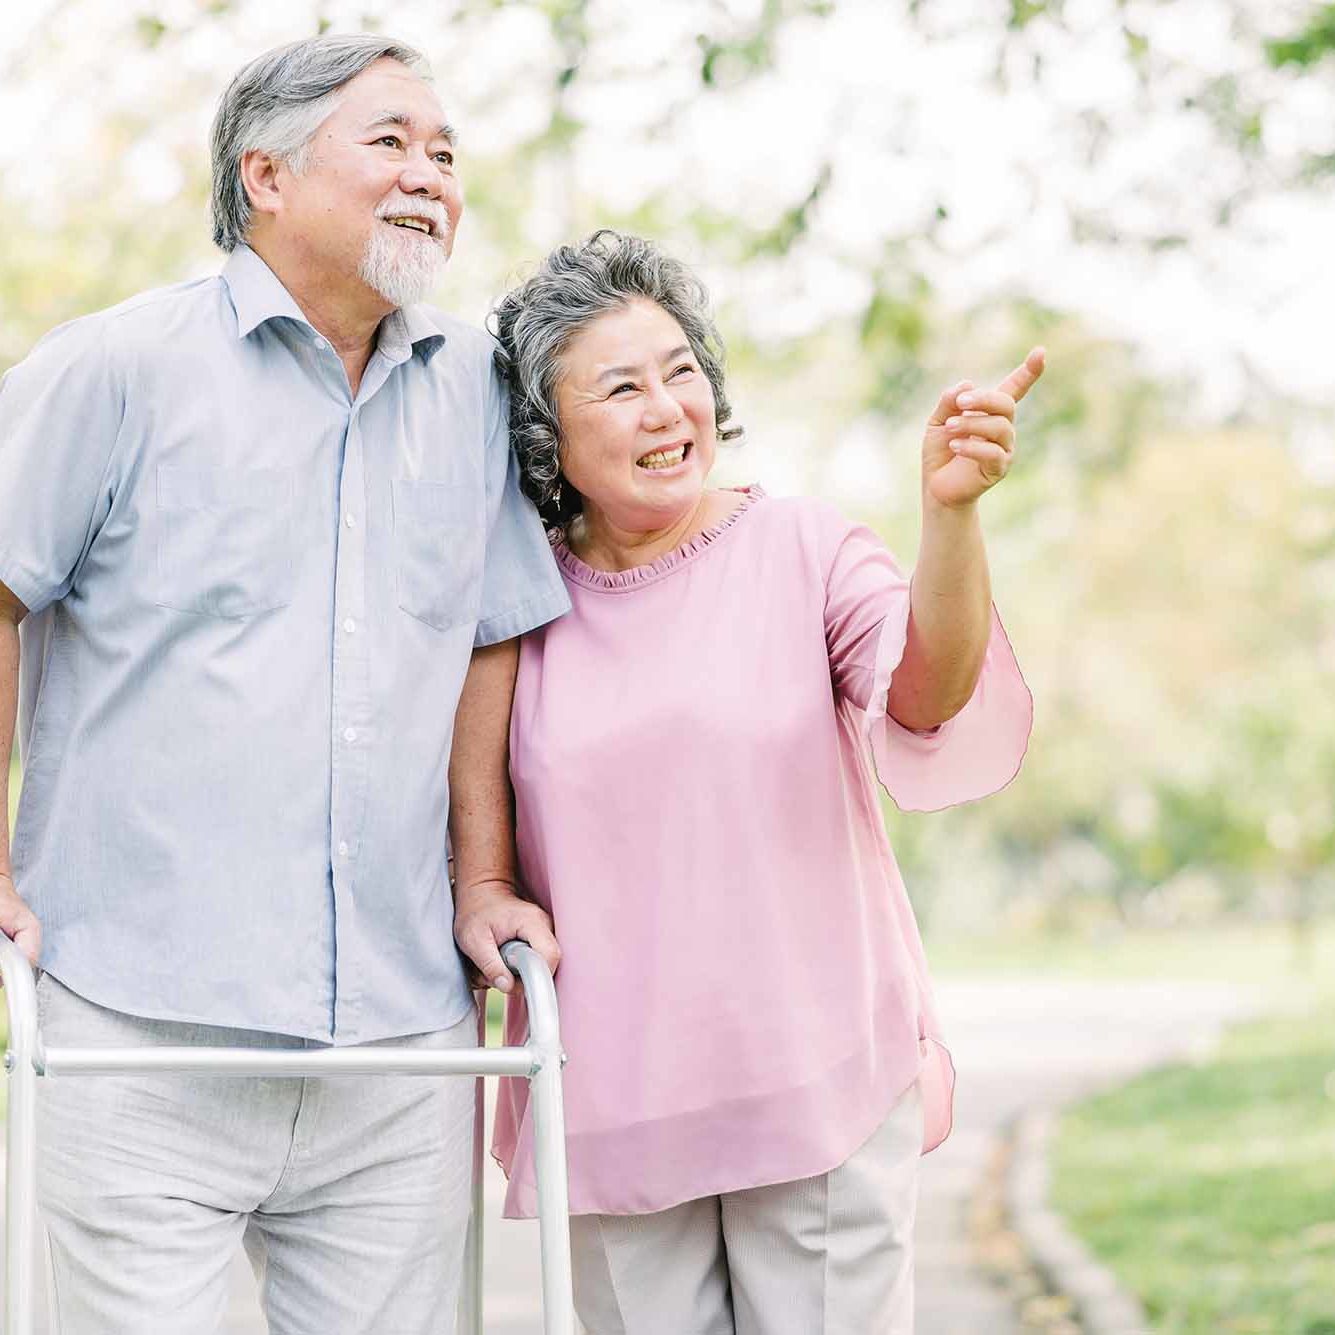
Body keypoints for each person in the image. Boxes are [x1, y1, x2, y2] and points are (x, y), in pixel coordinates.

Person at [0, 33, 567, 1335]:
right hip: (139, 1027)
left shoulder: (478, 393)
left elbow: (490, 639)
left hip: (401, 1037)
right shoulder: (115, 369)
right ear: (264, 172)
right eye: (389, 142)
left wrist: (480, 877)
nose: (429, 173)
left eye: (444, 151)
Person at [490, 230, 1038, 1333]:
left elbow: (925, 695)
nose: (665, 408)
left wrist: (953, 518)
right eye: (621, 387)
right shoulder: (516, 605)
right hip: (615, 1098)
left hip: (816, 1075)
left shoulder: (808, 550)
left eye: (681, 372)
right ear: (547, 433)